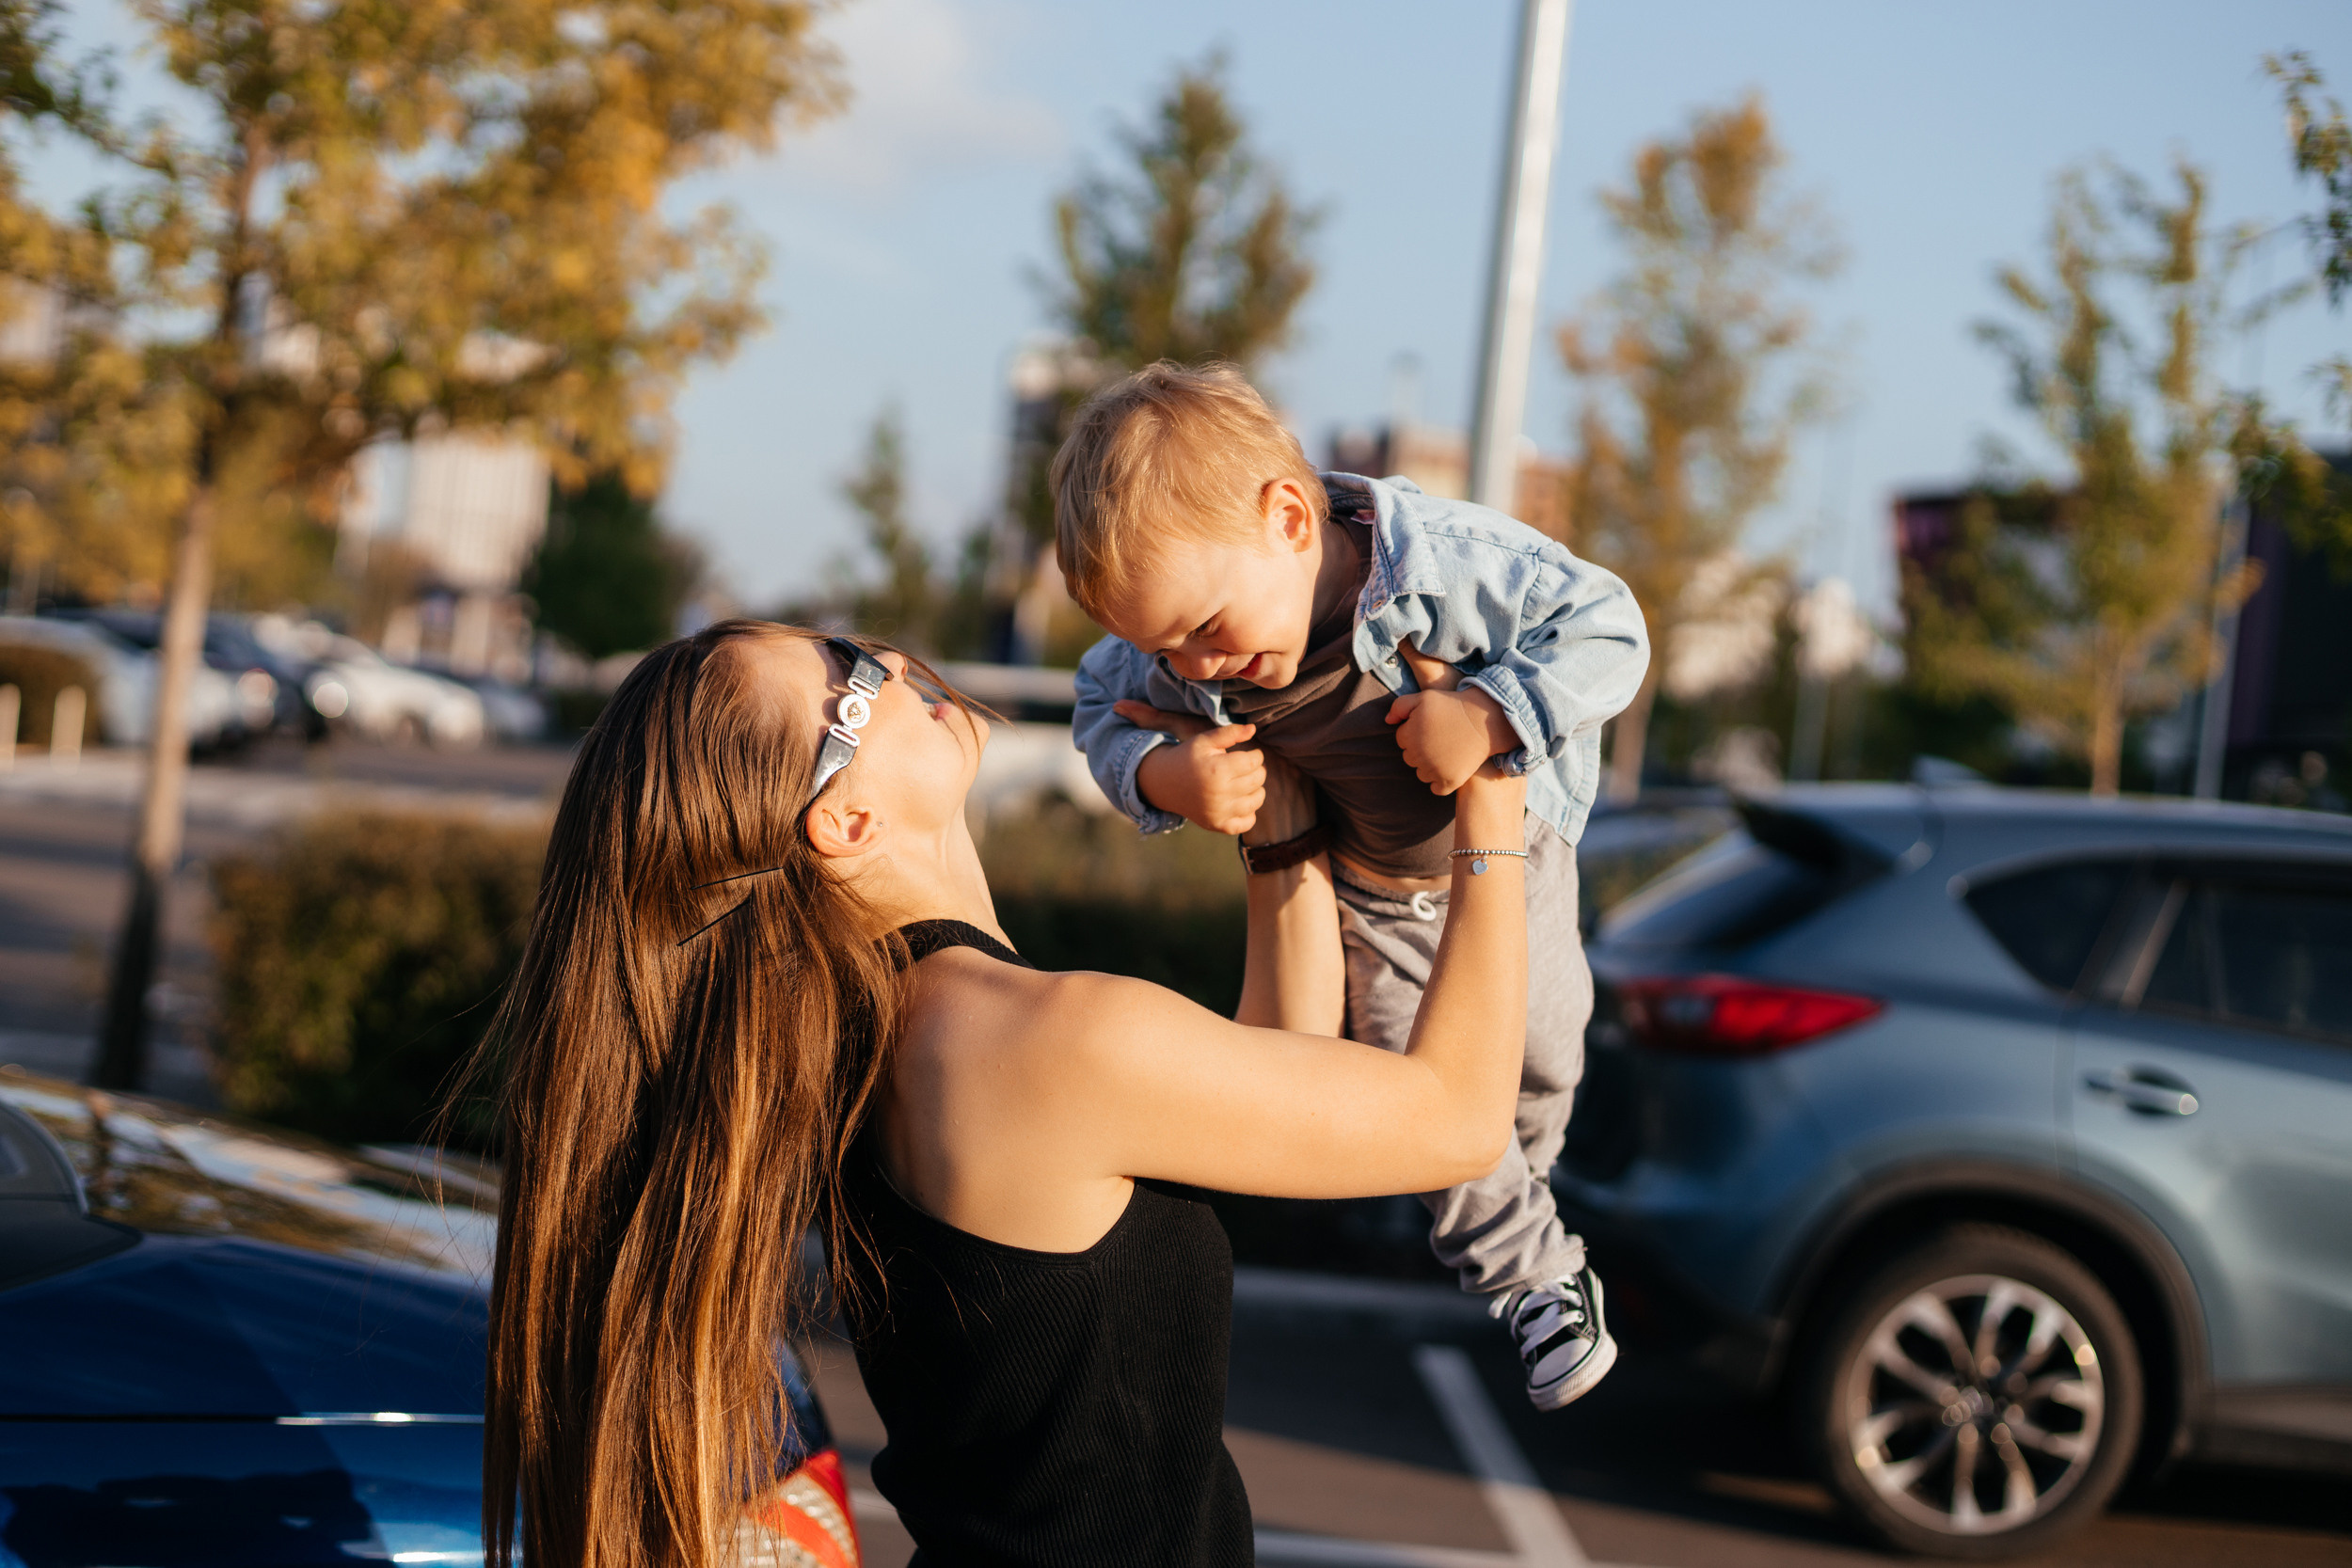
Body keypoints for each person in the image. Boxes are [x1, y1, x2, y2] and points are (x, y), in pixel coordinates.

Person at [475, 618, 1534, 1568]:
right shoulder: (1033, 1039)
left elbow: (1271, 1073)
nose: (888, 657)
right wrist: (1498, 791)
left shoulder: (894, 1027)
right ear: (843, 822)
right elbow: (1456, 1120)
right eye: (849, 676)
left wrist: (1279, 828)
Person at [1062, 361, 1650, 1411]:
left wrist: (1488, 713)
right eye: (1167, 649)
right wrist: (1164, 773)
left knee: (1547, 1042)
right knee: (1414, 1097)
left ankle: (1522, 1188)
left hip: (1510, 873)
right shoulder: (1181, 645)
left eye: (1206, 627)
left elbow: (1612, 628)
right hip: (1370, 894)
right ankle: (1533, 1277)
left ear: (1289, 517)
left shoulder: (1451, 565)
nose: (1197, 668)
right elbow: (1096, 701)